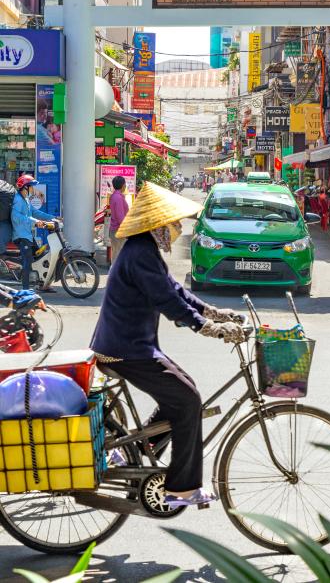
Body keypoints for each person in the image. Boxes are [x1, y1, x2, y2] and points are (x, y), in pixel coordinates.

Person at [90, 181, 245, 508]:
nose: (176, 229)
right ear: (158, 224)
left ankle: (137, 450)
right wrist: (209, 328)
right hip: (126, 350)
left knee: (183, 390)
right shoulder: (140, 253)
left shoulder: (143, 249)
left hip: (132, 345)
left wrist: (212, 311)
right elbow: (166, 301)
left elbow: (176, 291)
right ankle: (182, 489)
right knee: (188, 400)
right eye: (173, 223)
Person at [11, 175, 54, 290]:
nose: (32, 189)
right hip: (21, 236)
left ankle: (42, 284)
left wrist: (53, 218)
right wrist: (34, 222)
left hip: (28, 235)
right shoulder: (18, 200)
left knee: (39, 256)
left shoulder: (25, 200)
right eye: (31, 187)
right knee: (28, 262)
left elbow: (35, 212)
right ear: (25, 187)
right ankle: (25, 290)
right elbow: (15, 217)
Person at [109, 175, 129, 264]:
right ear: (123, 185)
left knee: (117, 254)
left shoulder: (115, 196)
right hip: (118, 230)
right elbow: (120, 217)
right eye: (125, 184)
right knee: (118, 255)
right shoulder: (118, 198)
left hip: (115, 229)